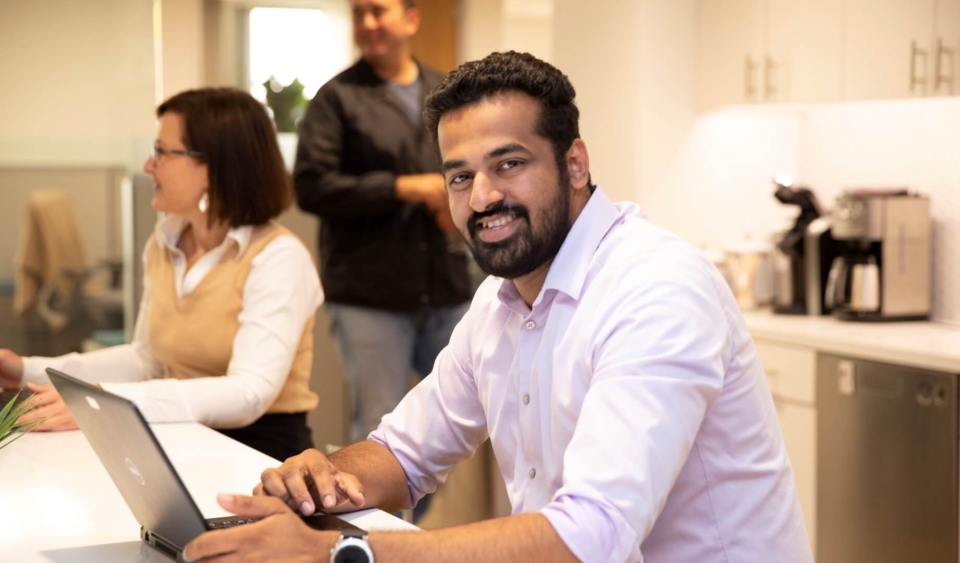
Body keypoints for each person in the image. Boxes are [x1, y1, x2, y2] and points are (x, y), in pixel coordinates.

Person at [182, 52, 814, 563]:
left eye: (508, 164)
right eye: (459, 176)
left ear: (574, 163)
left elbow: (591, 535)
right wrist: (319, 481)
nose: (482, 197)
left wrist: (338, 553)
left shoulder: (656, 288)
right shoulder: (501, 301)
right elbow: (405, 454)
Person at [0, 88, 324, 462]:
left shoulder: (278, 258)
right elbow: (147, 360)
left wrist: (99, 400)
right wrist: (27, 370)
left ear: (214, 167)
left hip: (261, 456)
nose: (148, 167)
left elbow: (249, 394)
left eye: (161, 153)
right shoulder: (164, 242)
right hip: (179, 439)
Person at [293, 0, 472, 447]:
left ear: (411, 18)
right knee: (382, 435)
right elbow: (312, 186)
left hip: (446, 289)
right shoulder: (336, 99)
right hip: (368, 297)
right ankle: (381, 522)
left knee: (458, 429)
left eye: (378, 11)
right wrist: (402, 188)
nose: (367, 23)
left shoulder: (445, 91)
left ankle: (411, 519)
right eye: (358, 14)